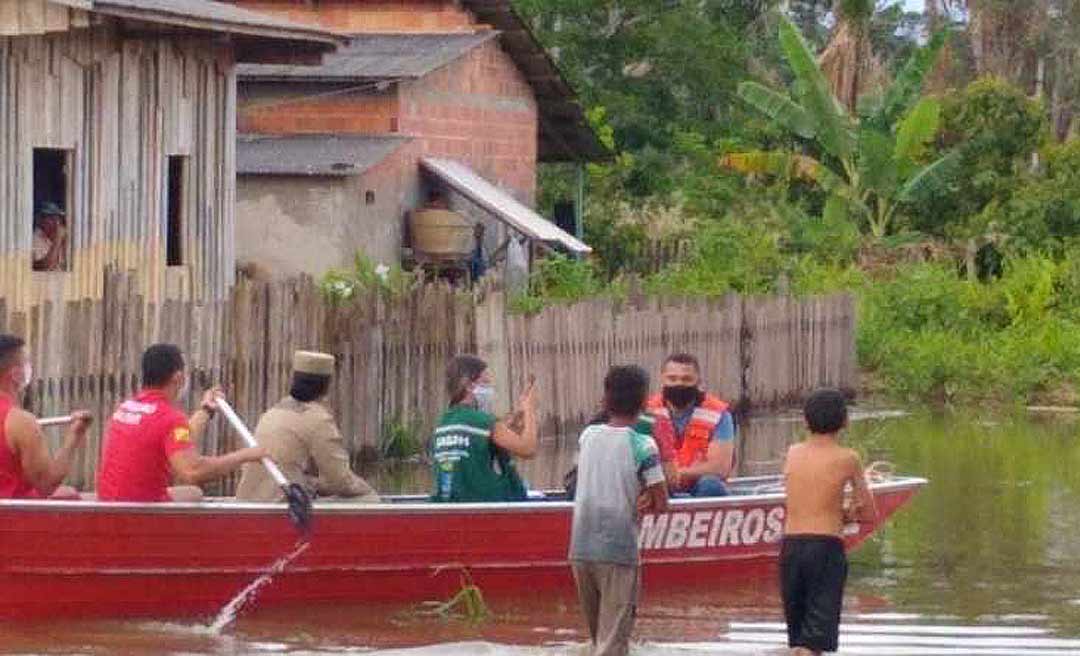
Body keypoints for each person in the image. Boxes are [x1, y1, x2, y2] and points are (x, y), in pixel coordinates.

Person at [569, 365, 668, 656]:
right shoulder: (643, 445)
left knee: (598, 641)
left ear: (605, 400)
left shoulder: (587, 437)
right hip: (618, 552)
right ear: (644, 402)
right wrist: (648, 498)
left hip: (580, 550)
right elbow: (662, 501)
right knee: (613, 645)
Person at [96, 343, 266, 502]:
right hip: (142, 512)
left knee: (189, 493)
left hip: (110, 505)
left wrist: (206, 409)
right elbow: (192, 471)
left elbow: (179, 440)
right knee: (194, 492)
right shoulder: (169, 418)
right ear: (178, 377)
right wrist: (246, 455)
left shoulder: (124, 409)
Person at [780, 388, 877, 656]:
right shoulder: (849, 458)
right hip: (825, 549)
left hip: (790, 549)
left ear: (805, 421)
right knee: (815, 643)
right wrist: (844, 512)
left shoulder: (792, 452)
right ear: (845, 421)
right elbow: (869, 513)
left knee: (799, 642)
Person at [236, 350, 379, 503]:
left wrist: (315, 484)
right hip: (283, 504)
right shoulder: (318, 419)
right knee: (371, 500)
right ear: (326, 385)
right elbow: (340, 480)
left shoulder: (273, 411)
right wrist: (366, 488)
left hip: (249, 500)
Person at [430, 354, 537, 502]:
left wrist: (518, 415)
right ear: (468, 385)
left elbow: (484, 441)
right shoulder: (482, 422)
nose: (490, 389)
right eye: (485, 382)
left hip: (451, 504)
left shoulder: (444, 422)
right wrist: (530, 408)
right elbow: (528, 449)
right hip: (489, 507)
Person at [0, 334, 90, 499]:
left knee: (68, 494)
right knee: (70, 496)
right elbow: (46, 484)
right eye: (25, 363)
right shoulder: (21, 422)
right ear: (16, 374)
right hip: (12, 517)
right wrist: (75, 435)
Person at [646, 353, 736, 496]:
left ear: (698, 381)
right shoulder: (647, 411)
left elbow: (720, 468)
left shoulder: (718, 413)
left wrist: (676, 473)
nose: (679, 384)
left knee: (711, 485)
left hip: (700, 484)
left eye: (686, 379)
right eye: (672, 378)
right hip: (661, 483)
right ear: (662, 379)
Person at [32, 202, 68, 272]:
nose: (56, 222)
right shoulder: (34, 239)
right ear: (40, 220)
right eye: (51, 218)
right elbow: (46, 267)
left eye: (58, 218)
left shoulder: (59, 236)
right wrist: (58, 238)